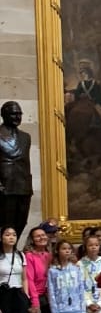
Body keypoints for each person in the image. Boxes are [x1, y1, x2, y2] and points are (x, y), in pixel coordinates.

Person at [0, 101, 34, 239]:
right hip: (5, 186)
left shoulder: (26, 137)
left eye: (19, 114)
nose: (17, 117)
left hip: (24, 186)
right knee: (5, 224)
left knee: (21, 221)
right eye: (14, 114)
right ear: (4, 115)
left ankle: (13, 250)